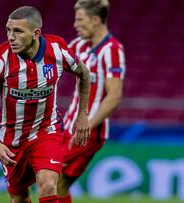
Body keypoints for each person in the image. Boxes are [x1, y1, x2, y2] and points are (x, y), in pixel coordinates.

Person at [0, 6, 91, 203]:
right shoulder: (0, 58)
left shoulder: (57, 50)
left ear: (36, 33)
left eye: (18, 31)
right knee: (19, 199)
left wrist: (83, 114)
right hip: (12, 139)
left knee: (47, 184)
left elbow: (84, 73)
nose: (11, 37)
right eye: (8, 30)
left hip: (47, 130)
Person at [57, 0, 126, 202]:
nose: (75, 24)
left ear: (96, 20)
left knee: (46, 171)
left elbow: (114, 96)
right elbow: (50, 59)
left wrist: (86, 125)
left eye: (80, 20)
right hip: (69, 126)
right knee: (59, 184)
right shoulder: (79, 45)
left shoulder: (112, 50)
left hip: (88, 133)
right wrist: (12, 60)